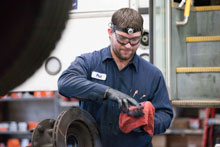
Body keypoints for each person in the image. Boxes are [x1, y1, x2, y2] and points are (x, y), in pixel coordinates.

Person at [58, 8, 173, 147]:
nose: (128, 46)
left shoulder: (153, 74)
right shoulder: (89, 62)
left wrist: (145, 122)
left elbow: (165, 114)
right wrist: (107, 92)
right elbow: (65, 83)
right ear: (110, 33)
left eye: (135, 40)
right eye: (122, 39)